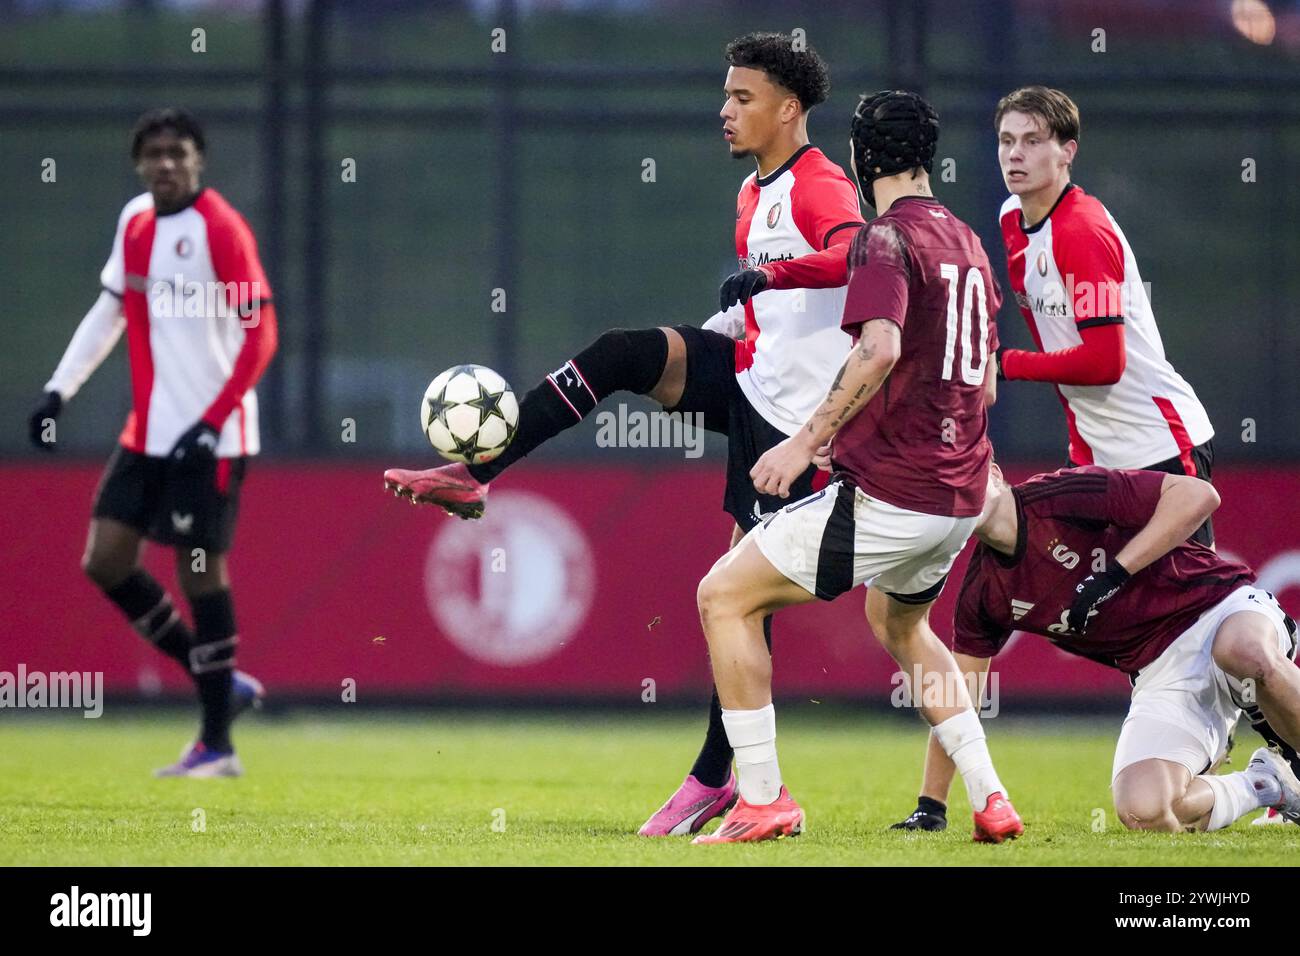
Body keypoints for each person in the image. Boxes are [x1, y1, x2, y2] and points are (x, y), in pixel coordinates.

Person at [382, 32, 867, 835]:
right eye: (725, 95)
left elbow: (854, 257)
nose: (725, 110)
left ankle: (722, 780)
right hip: (750, 374)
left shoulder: (819, 184)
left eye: (742, 98)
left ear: (788, 108)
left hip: (795, 424)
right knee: (621, 354)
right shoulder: (753, 194)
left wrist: (773, 276)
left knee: (740, 597)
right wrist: (723, 322)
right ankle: (478, 473)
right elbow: (767, 304)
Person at [690, 90, 1022, 845]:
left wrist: (805, 442)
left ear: (860, 159)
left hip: (900, 495)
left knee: (723, 596)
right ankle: (991, 796)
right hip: (961, 495)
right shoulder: (969, 241)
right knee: (900, 623)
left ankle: (764, 799)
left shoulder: (884, 238)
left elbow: (878, 348)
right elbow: (988, 383)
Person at [27, 108, 277, 777]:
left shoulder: (220, 229)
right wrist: (60, 389)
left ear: (200, 160)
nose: (165, 164)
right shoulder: (136, 222)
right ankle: (223, 684)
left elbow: (262, 334)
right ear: (139, 163)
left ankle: (217, 744)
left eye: (178, 152)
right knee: (105, 560)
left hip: (214, 438)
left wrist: (213, 418)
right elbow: (110, 309)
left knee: (200, 574)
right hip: (150, 432)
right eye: (153, 153)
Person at [895, 464, 1300, 833]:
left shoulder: (1063, 494)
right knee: (1145, 811)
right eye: (949, 491)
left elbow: (1199, 496)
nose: (962, 491)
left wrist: (1114, 574)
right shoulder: (984, 593)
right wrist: (932, 805)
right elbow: (959, 699)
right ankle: (1268, 784)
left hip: (1223, 607)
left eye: (970, 475)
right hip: (1160, 672)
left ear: (997, 475)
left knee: (1245, 654)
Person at [992, 85, 1216, 545]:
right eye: (1006, 140)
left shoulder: (1081, 232)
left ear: (1066, 152)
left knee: (1191, 610)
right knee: (1089, 605)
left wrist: (1005, 363)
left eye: (1033, 141)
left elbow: (1103, 363)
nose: (1015, 154)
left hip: (1159, 445)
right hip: (1096, 451)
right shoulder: (1012, 217)